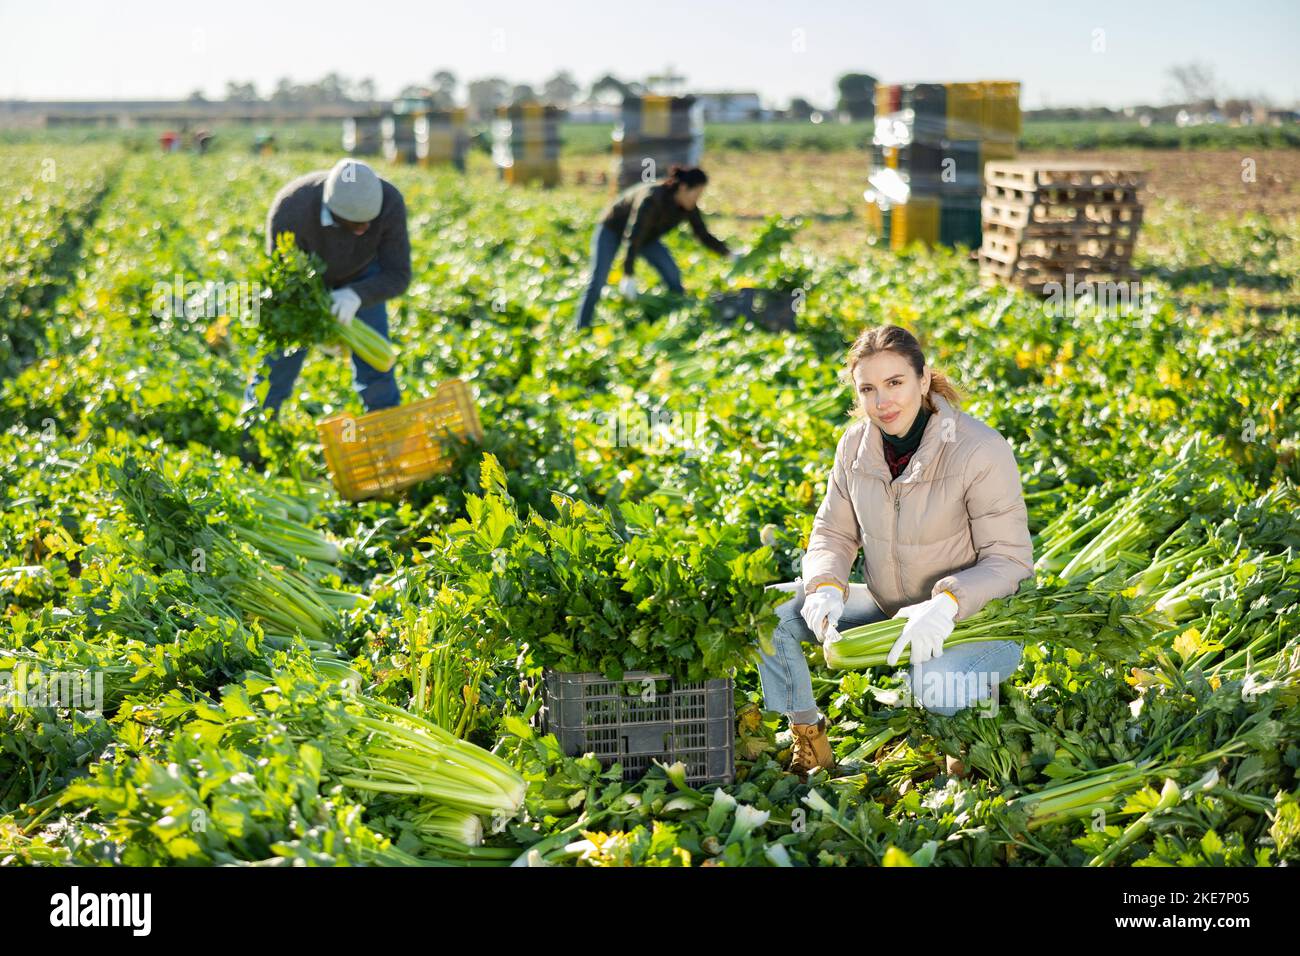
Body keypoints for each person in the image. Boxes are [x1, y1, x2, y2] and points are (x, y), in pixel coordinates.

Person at [757, 324, 1034, 777]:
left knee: (936, 683)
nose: (882, 401)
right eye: (868, 388)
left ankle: (967, 750)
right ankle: (810, 739)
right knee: (770, 612)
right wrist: (825, 585)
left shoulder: (978, 449)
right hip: (893, 609)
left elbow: (1010, 561)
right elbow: (833, 532)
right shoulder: (855, 447)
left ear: (923, 381)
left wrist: (947, 603)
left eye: (895, 383)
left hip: (979, 621)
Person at [243, 158, 410, 424]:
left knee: (377, 374)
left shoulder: (389, 202)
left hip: (361, 278)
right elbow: (286, 281)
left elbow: (398, 274)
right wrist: (318, 324)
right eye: (356, 226)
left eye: (370, 223)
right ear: (330, 211)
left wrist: (356, 295)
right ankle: (254, 436)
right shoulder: (291, 209)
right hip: (304, 289)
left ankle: (388, 435)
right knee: (276, 369)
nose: (365, 230)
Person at [574, 165, 738, 329]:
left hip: (647, 238)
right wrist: (628, 274)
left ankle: (679, 322)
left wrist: (728, 253)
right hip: (612, 229)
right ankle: (581, 327)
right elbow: (634, 234)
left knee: (673, 276)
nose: (697, 199)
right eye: (696, 193)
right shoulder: (652, 198)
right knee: (597, 281)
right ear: (683, 188)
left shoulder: (688, 207)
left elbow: (702, 234)